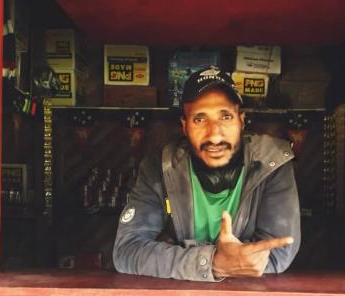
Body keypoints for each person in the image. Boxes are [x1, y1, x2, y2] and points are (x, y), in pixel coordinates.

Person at [113, 66, 301, 281]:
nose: (214, 135)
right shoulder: (159, 167)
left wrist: (175, 252)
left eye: (226, 117)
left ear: (241, 120)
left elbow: (277, 255)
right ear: (184, 126)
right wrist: (213, 263)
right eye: (200, 120)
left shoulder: (273, 161)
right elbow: (126, 251)